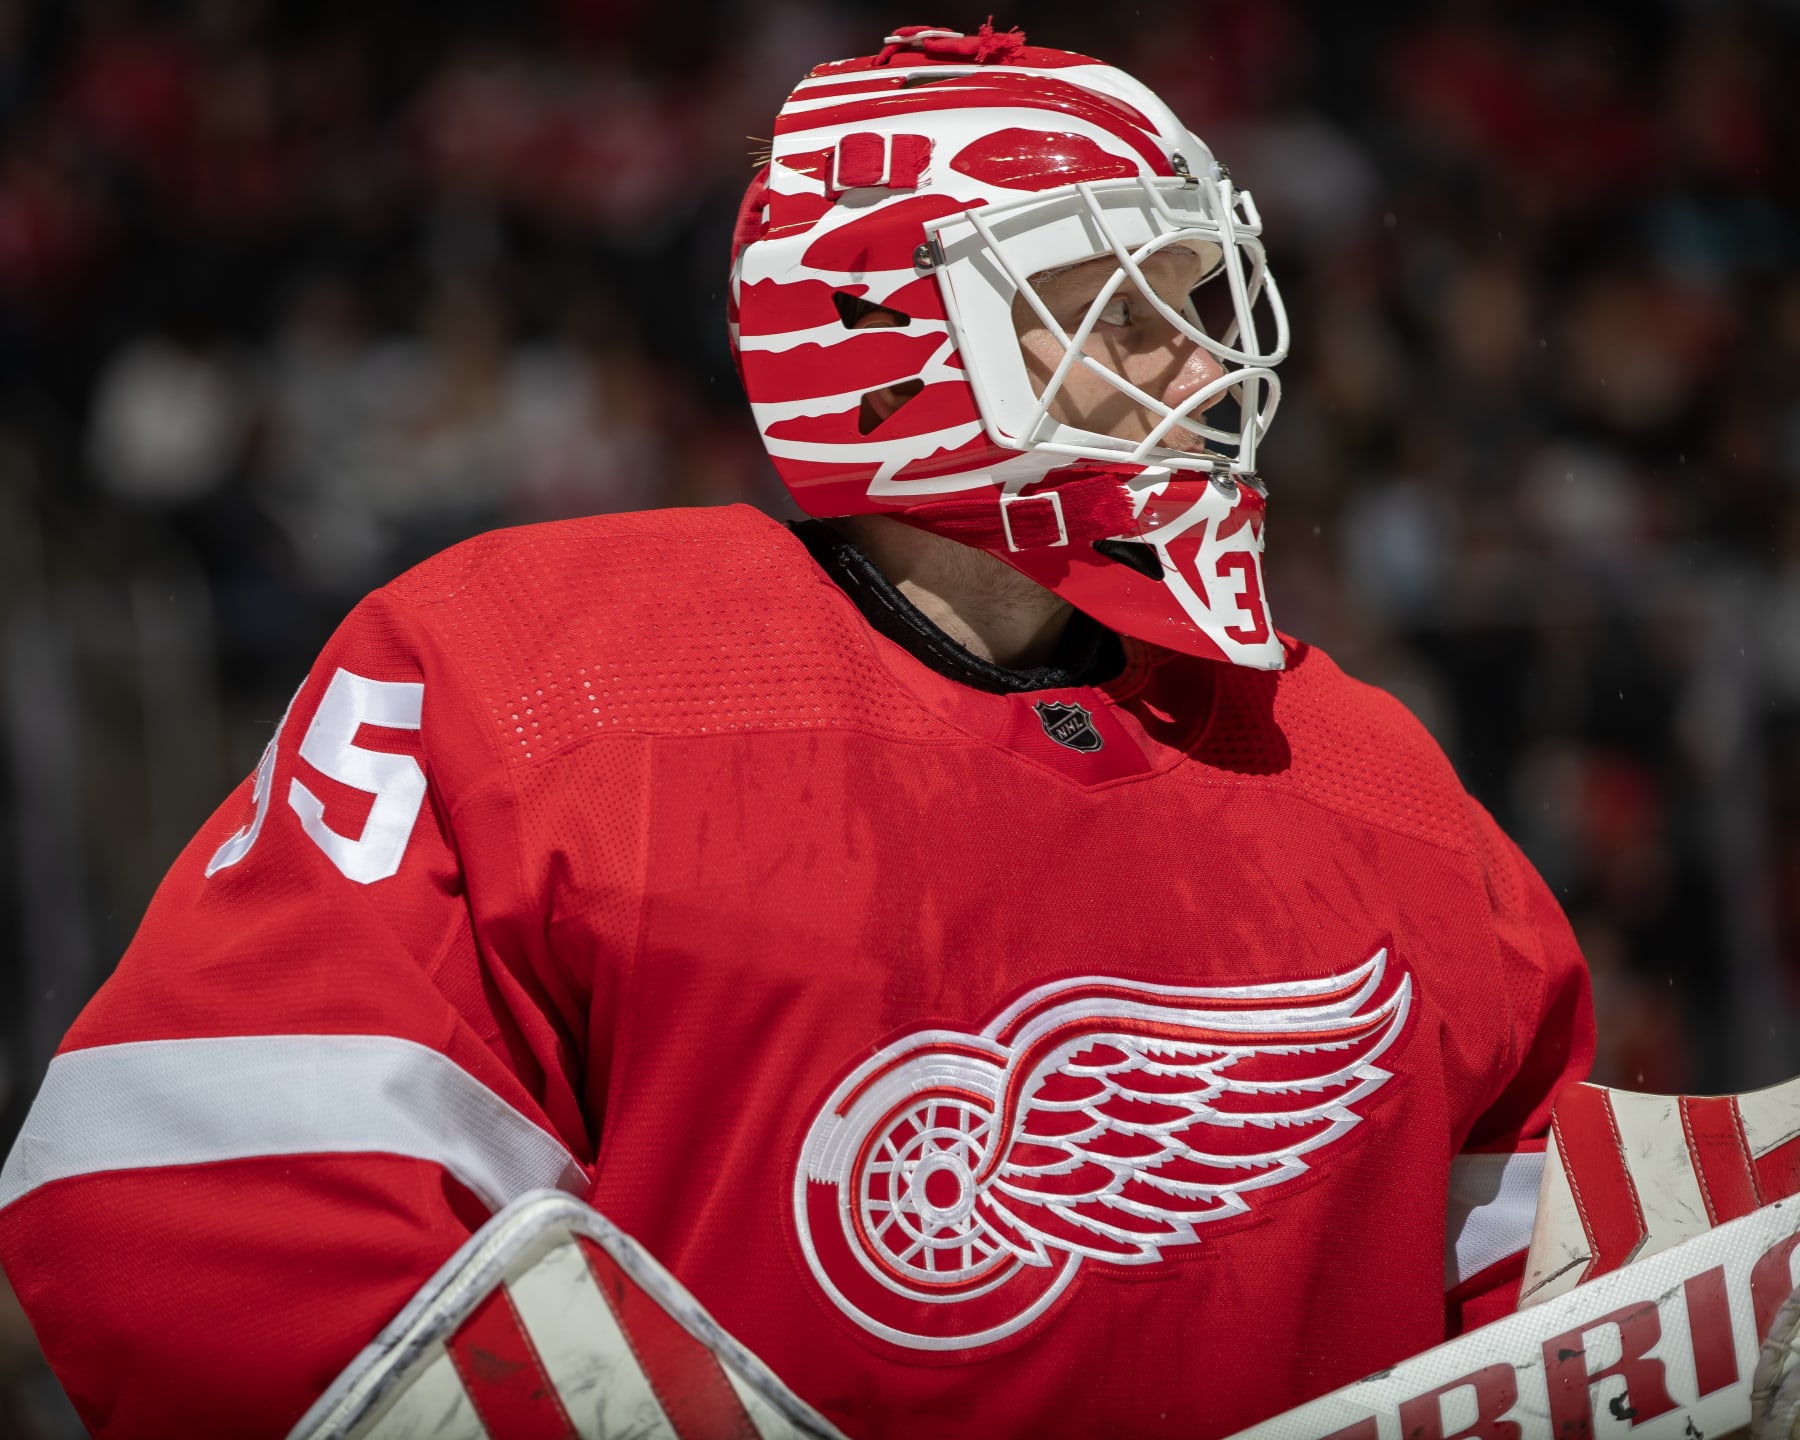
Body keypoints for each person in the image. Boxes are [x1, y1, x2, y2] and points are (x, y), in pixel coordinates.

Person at [0, 23, 1593, 1440]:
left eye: (1192, 295)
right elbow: (180, 1200)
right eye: (1109, 298)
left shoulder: (1357, 759)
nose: (1197, 357)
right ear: (890, 343)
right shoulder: (536, 680)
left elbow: (1528, 1272)